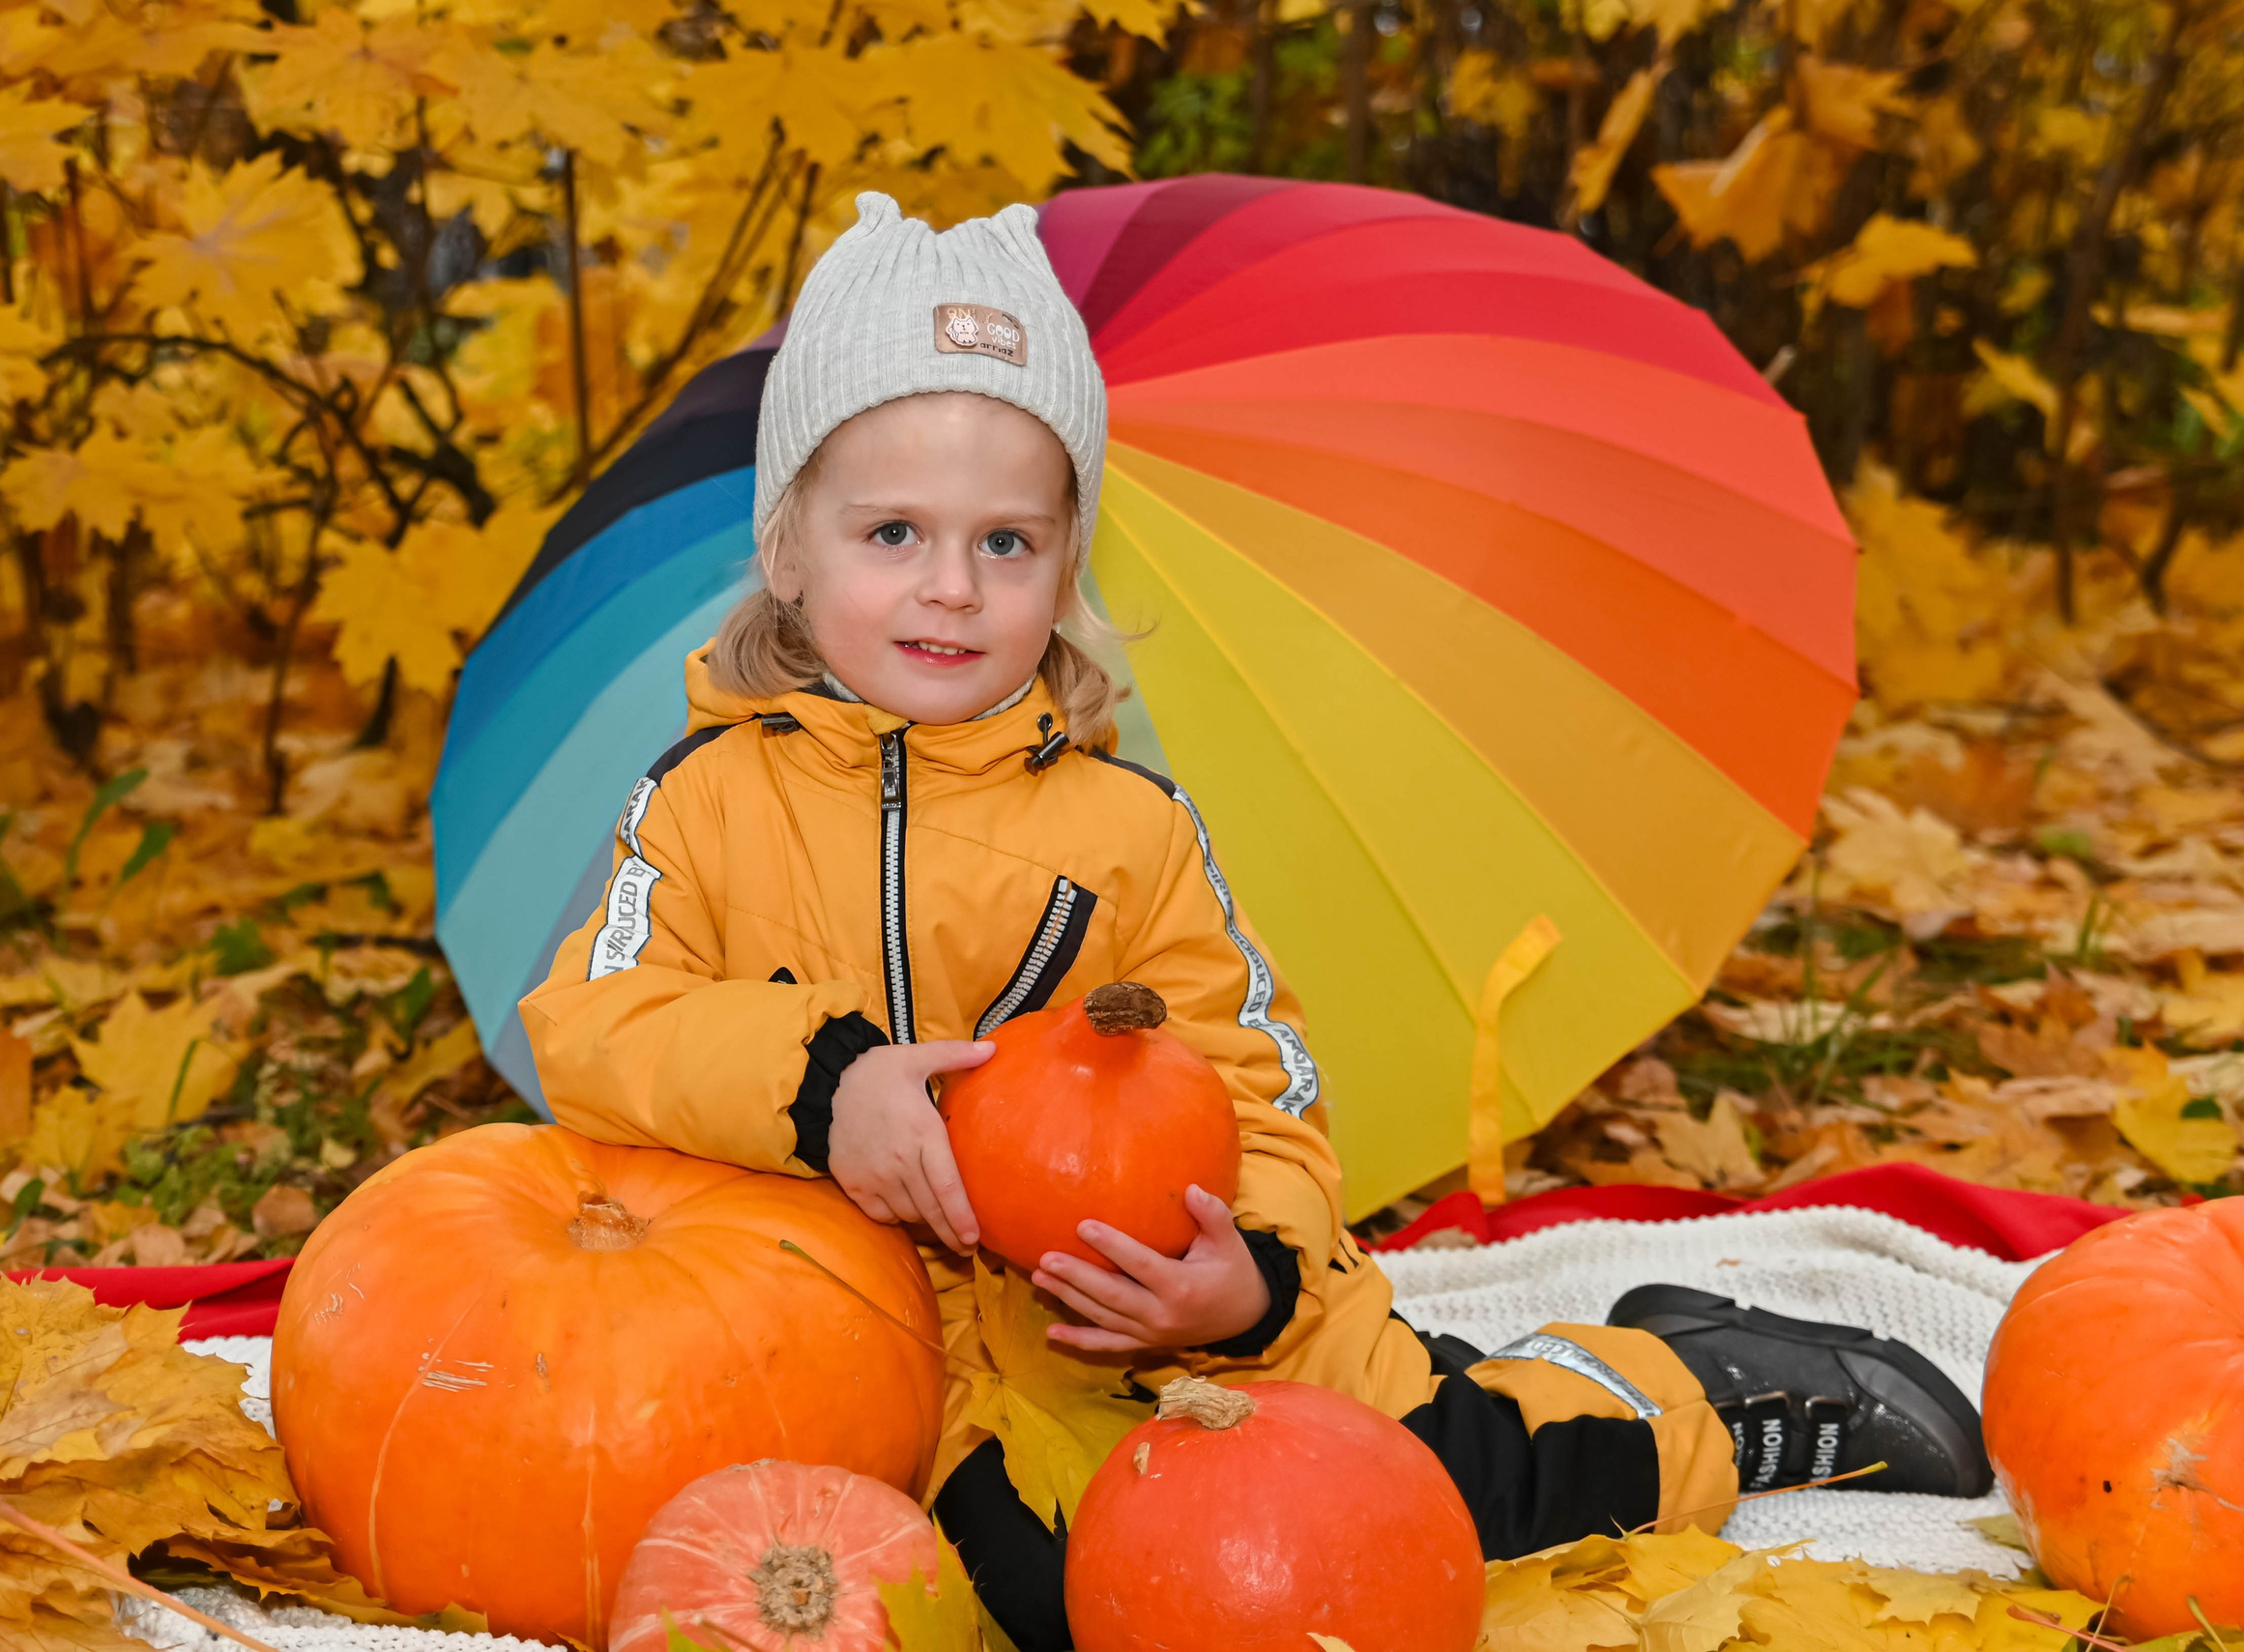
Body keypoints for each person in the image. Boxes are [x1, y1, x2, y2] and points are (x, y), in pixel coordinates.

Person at [520, 192, 1991, 1650]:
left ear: (1067, 559)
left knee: (1437, 1492)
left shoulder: (1127, 830)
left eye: (1010, 542)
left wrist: (1249, 1277)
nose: (952, 587)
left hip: (1152, 1321)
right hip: (879, 1361)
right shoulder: (701, 804)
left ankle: (1691, 1389)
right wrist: (827, 1083)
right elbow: (592, 1023)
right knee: (1058, 1602)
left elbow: (1261, 1092)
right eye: (893, 529)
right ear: (789, 548)